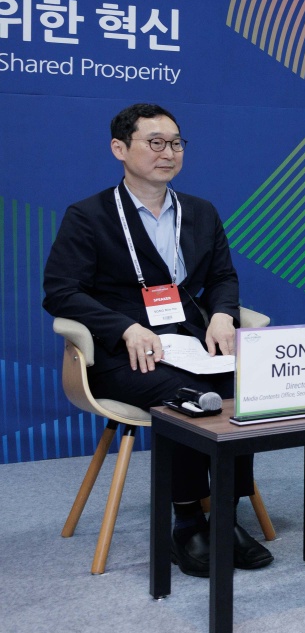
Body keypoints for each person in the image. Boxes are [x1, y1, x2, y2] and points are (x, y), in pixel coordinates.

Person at [42, 102, 273, 577]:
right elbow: (61, 292)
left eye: (175, 143)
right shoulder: (89, 216)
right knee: (191, 399)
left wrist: (223, 315)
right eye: (155, 143)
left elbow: (223, 277)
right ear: (119, 149)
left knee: (246, 389)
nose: (168, 153)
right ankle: (187, 522)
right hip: (122, 352)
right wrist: (123, 327)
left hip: (193, 342)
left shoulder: (201, 212)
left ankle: (227, 515)